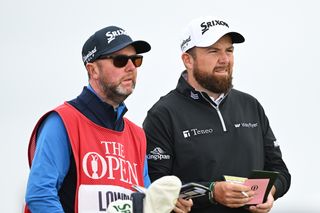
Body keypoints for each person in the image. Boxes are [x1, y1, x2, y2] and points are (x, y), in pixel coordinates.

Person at [143, 16, 291, 213]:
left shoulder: (250, 105)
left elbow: (279, 171)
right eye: (213, 51)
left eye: (229, 50)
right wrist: (211, 192)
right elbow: (156, 187)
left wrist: (270, 192)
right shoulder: (163, 113)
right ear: (188, 60)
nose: (225, 60)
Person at [25, 25, 152, 213]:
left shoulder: (137, 135)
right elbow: (40, 195)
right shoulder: (62, 121)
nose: (131, 67)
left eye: (135, 60)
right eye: (120, 60)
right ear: (93, 70)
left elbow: (145, 201)